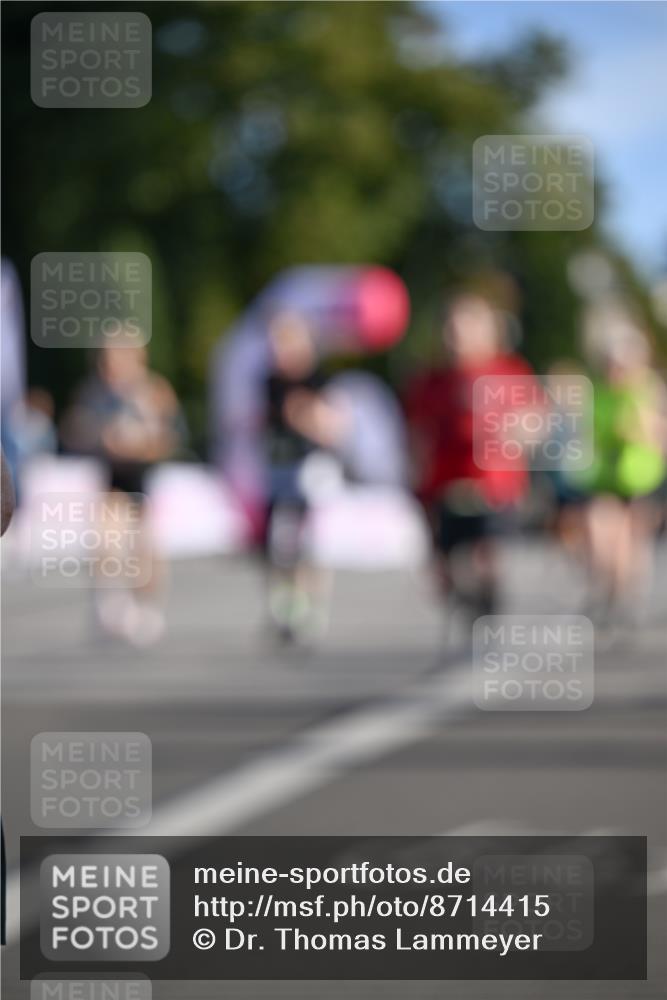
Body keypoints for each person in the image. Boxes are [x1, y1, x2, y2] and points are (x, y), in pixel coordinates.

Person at [403, 291, 539, 627]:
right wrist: (415, 474)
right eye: (451, 326)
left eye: (467, 325)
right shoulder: (431, 381)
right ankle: (465, 597)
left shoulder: (509, 372)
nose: (457, 334)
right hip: (444, 483)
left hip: (492, 483)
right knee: (447, 561)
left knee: (484, 551)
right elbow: (418, 434)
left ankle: (487, 601)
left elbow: (534, 418)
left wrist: (518, 431)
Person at [61, 331, 186, 645]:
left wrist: (143, 445)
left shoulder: (153, 390)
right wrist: (102, 440)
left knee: (145, 547)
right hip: (112, 480)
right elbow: (73, 431)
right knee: (106, 538)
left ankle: (148, 606)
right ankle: (110, 602)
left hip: (144, 480)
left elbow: (173, 437)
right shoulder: (94, 391)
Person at [569, 306, 667, 624]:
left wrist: (640, 427)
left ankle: (624, 594)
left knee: (629, 540)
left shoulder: (649, 390)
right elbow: (587, 431)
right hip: (606, 476)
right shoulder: (598, 392)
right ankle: (607, 588)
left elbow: (657, 435)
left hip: (642, 477)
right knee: (599, 531)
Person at [261, 309, 347, 642]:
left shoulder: (320, 380)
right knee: (279, 541)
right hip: (280, 466)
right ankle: (285, 602)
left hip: (314, 469)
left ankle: (313, 604)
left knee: (312, 541)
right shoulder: (269, 381)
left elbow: (334, 427)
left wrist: (306, 416)